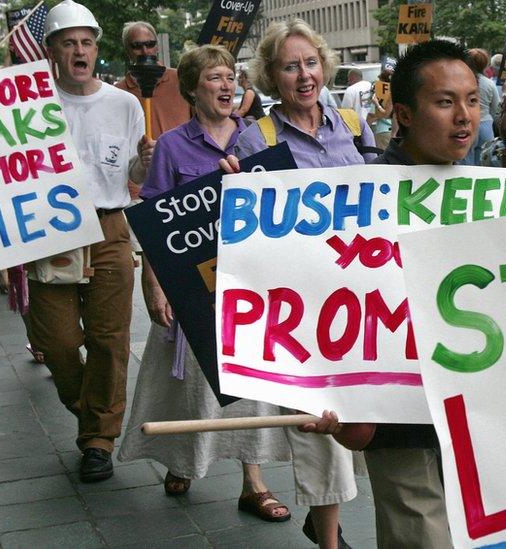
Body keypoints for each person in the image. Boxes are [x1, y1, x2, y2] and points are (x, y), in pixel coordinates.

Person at [0, 0, 155, 484]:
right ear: (50, 50)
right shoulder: (24, 103)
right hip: (49, 234)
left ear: (97, 48)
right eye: (68, 43)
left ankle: (98, 440)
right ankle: (92, 413)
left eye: (87, 42)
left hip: (110, 228)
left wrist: (145, 165)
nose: (79, 51)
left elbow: (133, 173)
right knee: (60, 343)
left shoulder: (125, 103)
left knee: (110, 341)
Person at [301, 38, 482, 548]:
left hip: (479, 413)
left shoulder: (490, 195)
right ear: (403, 113)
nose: (464, 116)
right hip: (401, 420)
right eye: (445, 102)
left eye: (471, 100)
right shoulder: (361, 202)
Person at [116, 45, 292, 522]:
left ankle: (253, 483)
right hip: (192, 288)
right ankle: (183, 462)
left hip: (250, 287)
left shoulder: (256, 139)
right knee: (188, 388)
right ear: (193, 89)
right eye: (215, 78)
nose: (227, 85)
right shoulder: (172, 146)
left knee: (249, 384)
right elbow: (155, 222)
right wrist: (153, 286)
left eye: (231, 77)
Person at [221, 18, 377, 549]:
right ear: (272, 76)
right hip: (302, 303)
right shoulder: (256, 137)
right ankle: (330, 540)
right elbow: (245, 228)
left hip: (362, 291)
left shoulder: (354, 124)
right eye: (290, 66)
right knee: (320, 418)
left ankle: (323, 521)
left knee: (365, 416)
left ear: (324, 65)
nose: (304, 75)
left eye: (310, 62)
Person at [115, 21, 191, 139]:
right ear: (128, 51)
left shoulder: (182, 79)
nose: (145, 51)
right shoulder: (118, 93)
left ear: (157, 47)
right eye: (137, 46)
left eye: (150, 44)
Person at [458, 48, 502, 166]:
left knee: (465, 159)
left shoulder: (462, 82)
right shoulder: (489, 83)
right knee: (484, 162)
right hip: (486, 125)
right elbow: (496, 109)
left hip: (466, 124)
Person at [367, 68, 394, 150]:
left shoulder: (381, 92)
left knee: (384, 160)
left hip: (383, 131)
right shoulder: (397, 91)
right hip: (396, 132)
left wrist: (364, 129)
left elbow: (373, 115)